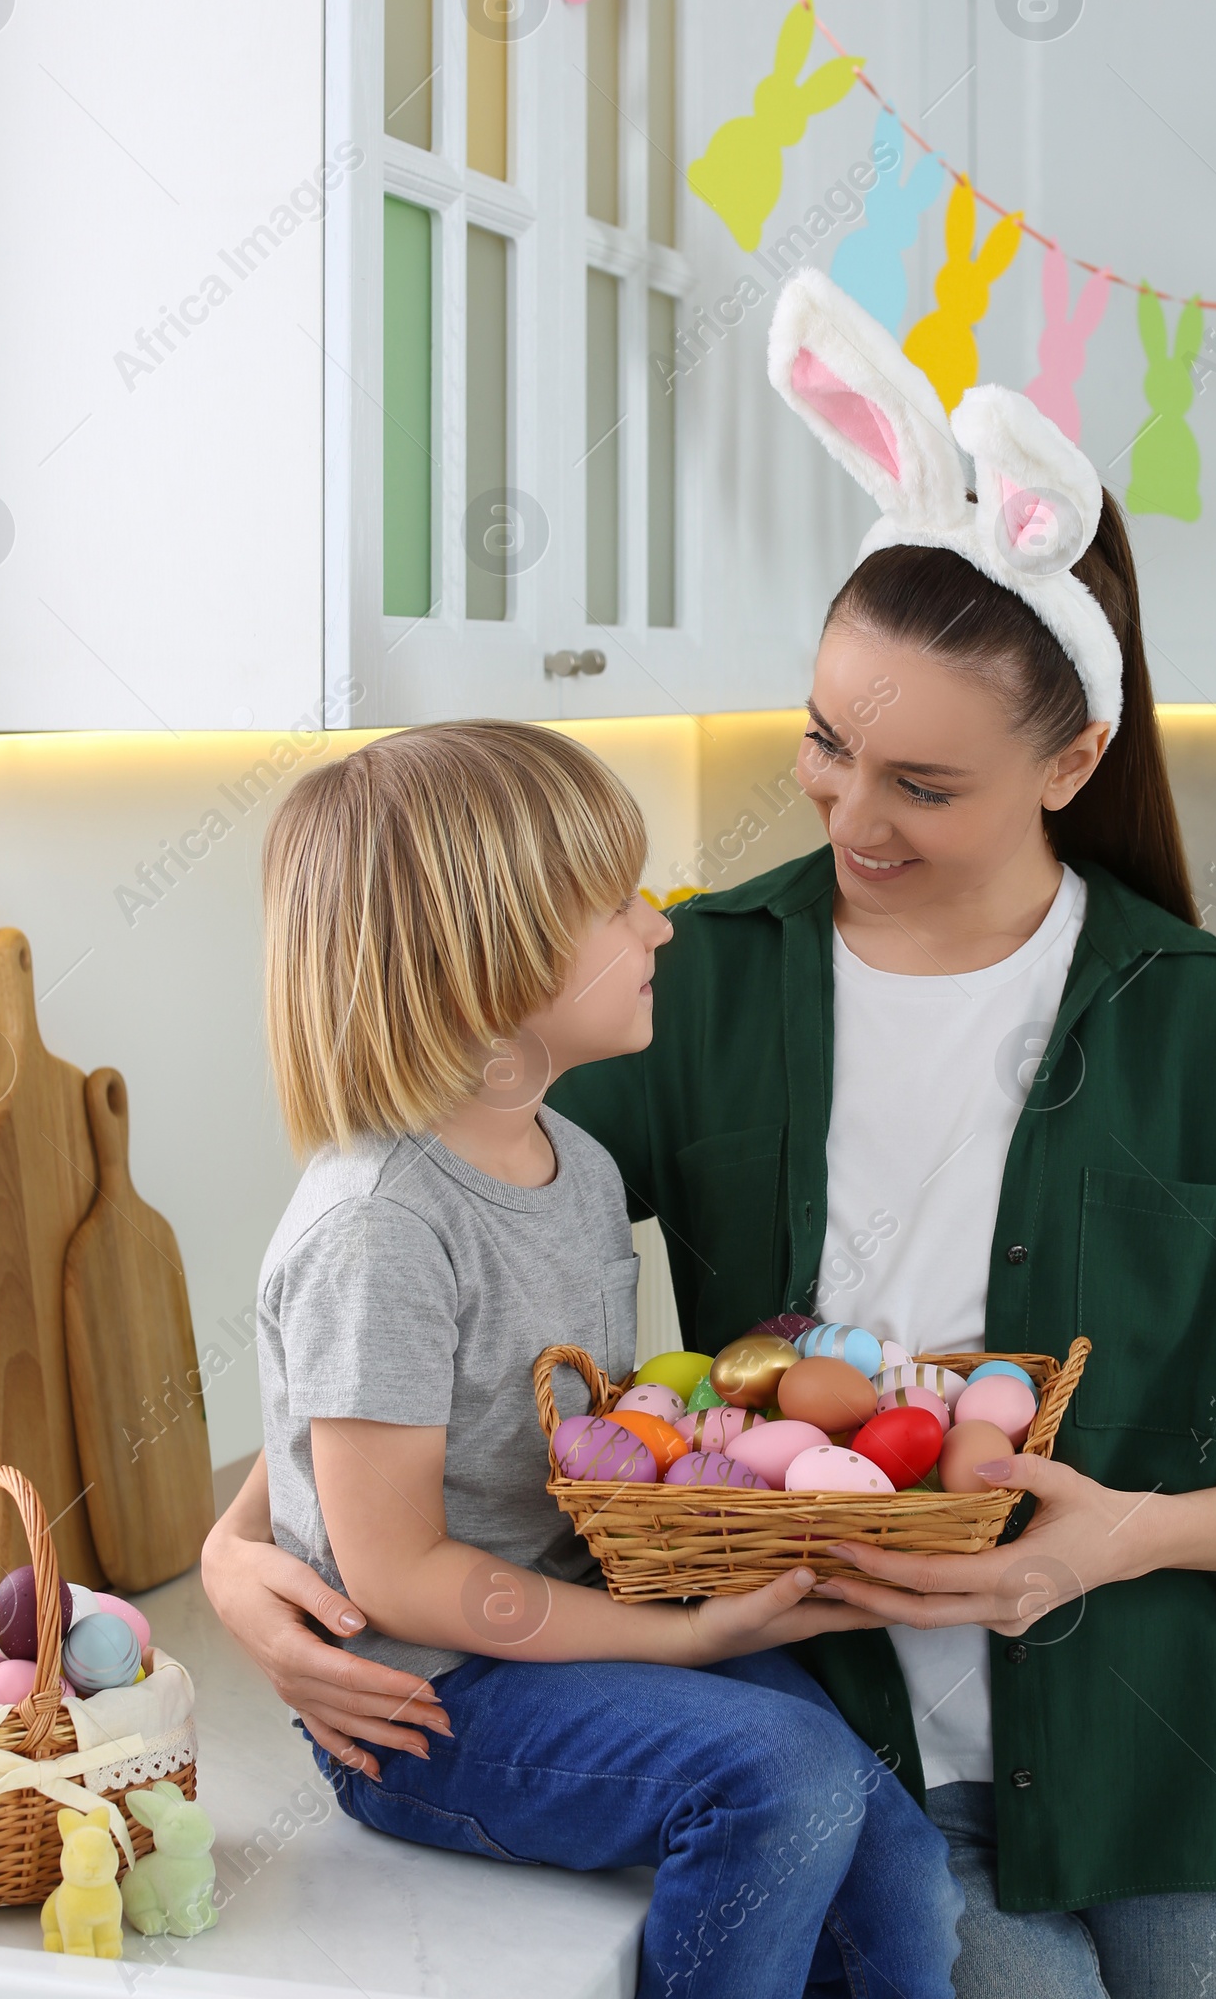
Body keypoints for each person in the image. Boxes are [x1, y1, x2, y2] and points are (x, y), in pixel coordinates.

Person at [205, 273, 1216, 1998]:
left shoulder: (1201, 1018)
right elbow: (405, 1272)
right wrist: (238, 1563)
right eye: (828, 749)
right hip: (847, 1731)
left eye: (923, 787)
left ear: (1071, 763)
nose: (850, 815)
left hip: (1181, 1750)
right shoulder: (695, 984)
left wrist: (1120, 1534)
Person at [231, 718, 962, 1999]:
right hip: (428, 1708)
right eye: (617, 901)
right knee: (782, 1775)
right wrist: (670, 1640)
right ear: (486, 955)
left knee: (893, 1856)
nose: (660, 926)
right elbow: (397, 1573)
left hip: (564, 1641)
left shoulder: (576, 1165)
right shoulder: (379, 1226)